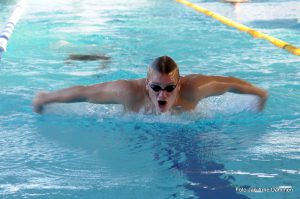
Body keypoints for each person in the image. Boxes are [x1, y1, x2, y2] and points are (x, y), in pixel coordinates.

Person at [33, 56, 267, 114]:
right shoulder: (128, 92)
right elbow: (83, 93)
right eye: (155, 88)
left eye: (169, 88)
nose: (162, 94)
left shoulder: (195, 88)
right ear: (147, 85)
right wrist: (44, 98)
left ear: (179, 84)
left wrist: (258, 94)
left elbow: (232, 84)